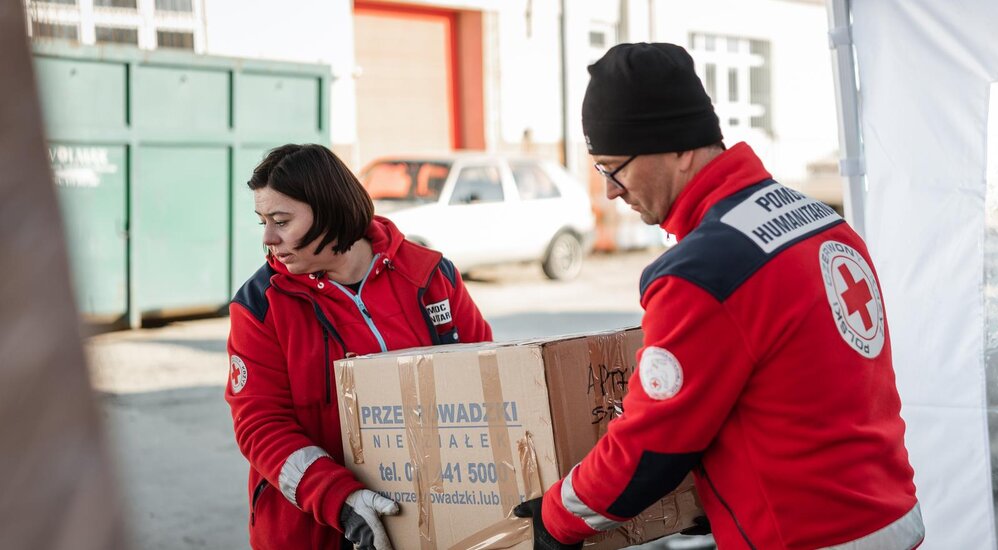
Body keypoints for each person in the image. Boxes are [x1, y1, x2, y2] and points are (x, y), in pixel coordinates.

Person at [513, 43, 923, 549]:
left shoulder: (704, 272)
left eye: (612, 166)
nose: (611, 192)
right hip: (884, 515)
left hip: (806, 536)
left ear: (680, 147)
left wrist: (555, 517)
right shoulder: (818, 220)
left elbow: (652, 443)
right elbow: (802, 387)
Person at [225, 144, 493, 550]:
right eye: (263, 221)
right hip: (312, 532)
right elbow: (260, 424)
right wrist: (340, 498)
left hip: (436, 523)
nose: (268, 238)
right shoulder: (261, 304)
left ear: (330, 209)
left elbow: (489, 382)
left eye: (281, 221)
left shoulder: (430, 275)